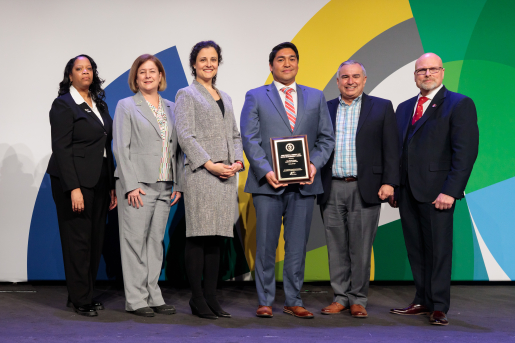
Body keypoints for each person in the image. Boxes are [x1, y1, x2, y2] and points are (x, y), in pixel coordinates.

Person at [241, 42, 335, 319]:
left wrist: (314, 165)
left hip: (304, 185)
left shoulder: (316, 97)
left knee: (297, 247)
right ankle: (266, 300)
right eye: (281, 59)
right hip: (267, 184)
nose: (287, 63)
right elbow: (250, 138)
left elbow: (326, 139)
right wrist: (266, 171)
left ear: (297, 63)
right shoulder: (256, 96)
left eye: (292, 59)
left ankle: (294, 300)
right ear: (271, 66)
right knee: (267, 245)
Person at [389, 53, 479, 326]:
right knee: (416, 249)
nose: (426, 74)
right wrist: (394, 185)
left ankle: (439, 305)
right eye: (421, 70)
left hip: (438, 193)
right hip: (407, 192)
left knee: (438, 250)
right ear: (415, 76)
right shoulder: (404, 108)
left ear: (441, 72)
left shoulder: (459, 104)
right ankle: (422, 300)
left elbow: (465, 153)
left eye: (432, 69)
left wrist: (451, 191)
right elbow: (397, 151)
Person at [318, 60, 399, 318]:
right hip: (331, 187)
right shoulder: (326, 108)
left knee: (361, 248)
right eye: (344, 77)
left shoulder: (382, 107)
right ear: (337, 81)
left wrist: (389, 182)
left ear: (364, 80)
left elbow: (392, 149)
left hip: (366, 188)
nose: (350, 81)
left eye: (355, 76)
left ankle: (358, 299)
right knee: (336, 247)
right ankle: (340, 297)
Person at [175, 40, 243, 320]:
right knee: (199, 237)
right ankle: (197, 298)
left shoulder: (225, 96)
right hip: (202, 175)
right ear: (194, 63)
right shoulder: (186, 94)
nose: (208, 64)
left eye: (213, 59)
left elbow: (235, 135)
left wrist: (237, 162)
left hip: (226, 176)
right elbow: (185, 134)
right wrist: (211, 164)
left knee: (217, 239)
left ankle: (213, 297)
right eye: (203, 59)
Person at [47, 54, 117, 317]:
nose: (85, 72)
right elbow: (62, 148)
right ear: (70, 75)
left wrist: (110, 184)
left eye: (89, 68)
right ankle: (80, 299)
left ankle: (83, 293)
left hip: (99, 178)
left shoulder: (99, 104)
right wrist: (73, 187)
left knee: (95, 239)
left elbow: (105, 147)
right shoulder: (64, 104)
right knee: (78, 240)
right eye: (79, 69)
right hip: (74, 181)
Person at [113, 54, 183, 317]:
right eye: (142, 72)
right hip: (138, 185)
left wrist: (180, 184)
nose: (148, 75)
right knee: (134, 242)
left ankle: (154, 295)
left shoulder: (172, 107)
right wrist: (130, 185)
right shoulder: (127, 105)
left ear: (161, 76)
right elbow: (121, 146)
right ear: (135, 77)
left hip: (166, 185)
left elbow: (179, 150)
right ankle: (136, 299)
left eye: (153, 71)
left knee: (155, 243)